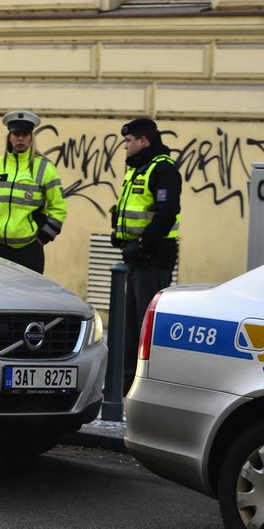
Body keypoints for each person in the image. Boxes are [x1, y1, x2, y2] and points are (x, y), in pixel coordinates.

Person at [111, 117, 181, 394]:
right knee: (130, 329)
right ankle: (125, 387)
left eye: (129, 141)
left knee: (145, 328)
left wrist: (140, 244)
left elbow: (166, 214)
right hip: (136, 259)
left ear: (144, 141)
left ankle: (145, 388)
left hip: (153, 259)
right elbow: (132, 208)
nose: (126, 146)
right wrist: (119, 233)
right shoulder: (139, 168)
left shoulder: (162, 169)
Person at [0, 110, 66, 274]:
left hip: (29, 251)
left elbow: (59, 208)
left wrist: (42, 239)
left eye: (24, 134)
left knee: (28, 299)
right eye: (16, 134)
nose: (20, 138)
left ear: (31, 137)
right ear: (9, 136)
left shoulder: (45, 168)